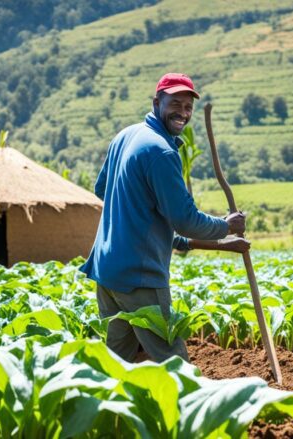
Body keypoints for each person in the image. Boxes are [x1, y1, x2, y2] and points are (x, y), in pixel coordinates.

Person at [80, 72, 249, 363]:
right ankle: (185, 409)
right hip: (139, 280)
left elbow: (102, 189)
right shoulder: (161, 151)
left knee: (117, 363)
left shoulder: (126, 135)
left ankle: (110, 410)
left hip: (108, 272)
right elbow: (184, 219)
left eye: (188, 107)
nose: (182, 112)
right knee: (172, 363)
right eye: (175, 103)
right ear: (157, 101)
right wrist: (225, 226)